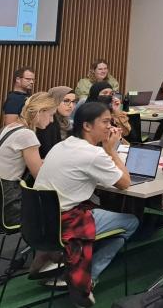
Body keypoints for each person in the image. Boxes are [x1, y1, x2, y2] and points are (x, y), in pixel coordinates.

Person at [34, 102, 139, 306]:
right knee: (131, 222)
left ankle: (67, 261)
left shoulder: (62, 144)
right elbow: (125, 183)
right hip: (66, 221)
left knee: (99, 211)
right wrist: (111, 150)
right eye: (106, 122)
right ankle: (89, 275)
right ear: (87, 126)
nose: (110, 127)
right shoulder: (94, 154)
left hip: (40, 219)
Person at [0, 92, 56, 225]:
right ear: (41, 111)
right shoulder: (26, 135)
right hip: (8, 208)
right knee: (58, 210)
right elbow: (40, 176)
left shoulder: (7, 128)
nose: (52, 120)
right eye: (51, 115)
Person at [36, 86, 77, 157]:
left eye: (73, 102)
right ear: (55, 101)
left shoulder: (66, 122)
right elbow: (46, 153)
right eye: (66, 101)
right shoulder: (48, 122)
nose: (71, 105)